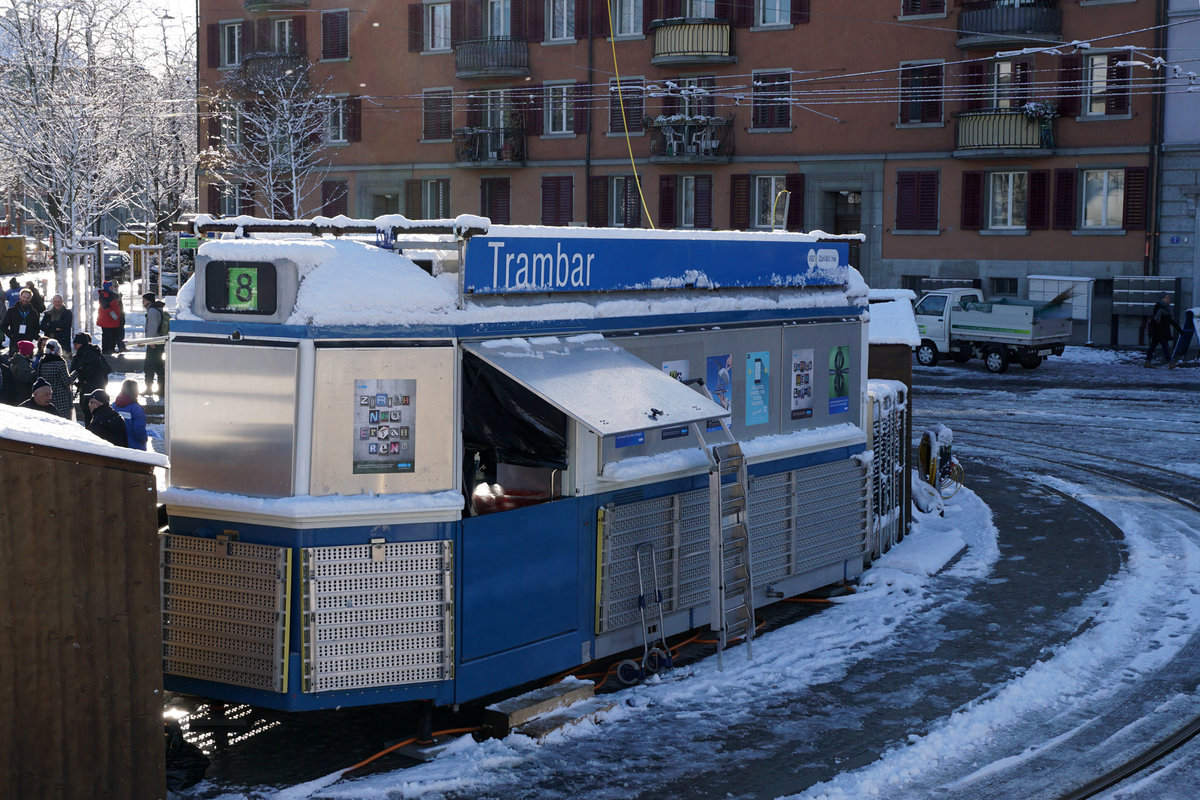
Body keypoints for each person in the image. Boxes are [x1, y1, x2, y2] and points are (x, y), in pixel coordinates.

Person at [70, 331, 110, 423]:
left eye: (76, 344)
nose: (75, 346)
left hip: (90, 388)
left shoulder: (87, 355)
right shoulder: (94, 352)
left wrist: (82, 380)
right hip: (98, 387)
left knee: (89, 412)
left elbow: (83, 371)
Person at [36, 338, 73, 418]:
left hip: (46, 397)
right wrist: (76, 373)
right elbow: (67, 381)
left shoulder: (42, 362)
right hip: (61, 399)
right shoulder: (60, 363)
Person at [1145, 293, 1182, 367]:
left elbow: (1170, 321)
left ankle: (1147, 362)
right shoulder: (1160, 309)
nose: (1169, 299)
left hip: (1160, 332)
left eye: (1169, 297)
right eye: (1167, 297)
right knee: (1165, 347)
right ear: (1162, 299)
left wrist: (1180, 330)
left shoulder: (1165, 309)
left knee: (1153, 347)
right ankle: (1170, 363)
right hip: (1160, 332)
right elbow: (1155, 320)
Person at [2, 287, 41, 355]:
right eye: (23, 297)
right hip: (15, 342)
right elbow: (3, 325)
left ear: (30, 298)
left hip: (28, 343)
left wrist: (31, 336)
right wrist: (11, 335)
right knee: (14, 363)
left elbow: (37, 328)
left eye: (28, 298)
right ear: (20, 296)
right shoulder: (12, 311)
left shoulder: (33, 313)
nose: (25, 299)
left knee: (27, 363)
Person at [142, 292, 167, 396]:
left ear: (148, 301)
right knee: (158, 366)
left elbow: (152, 327)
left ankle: (149, 389)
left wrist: (151, 341)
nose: (142, 302)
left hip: (154, 342)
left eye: (143, 300)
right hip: (159, 341)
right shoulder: (157, 309)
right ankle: (161, 389)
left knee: (149, 367)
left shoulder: (152, 311)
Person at [113, 379, 147, 450]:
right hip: (134, 447)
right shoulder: (136, 408)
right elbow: (138, 429)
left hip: (116, 446)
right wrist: (144, 439)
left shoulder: (113, 406)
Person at [96, 281, 124, 355]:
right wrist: (112, 313)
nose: (113, 288)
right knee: (107, 335)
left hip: (113, 319)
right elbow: (105, 306)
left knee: (113, 335)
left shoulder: (113, 294)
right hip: (107, 319)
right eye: (111, 287)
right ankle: (106, 350)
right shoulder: (104, 295)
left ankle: (111, 348)